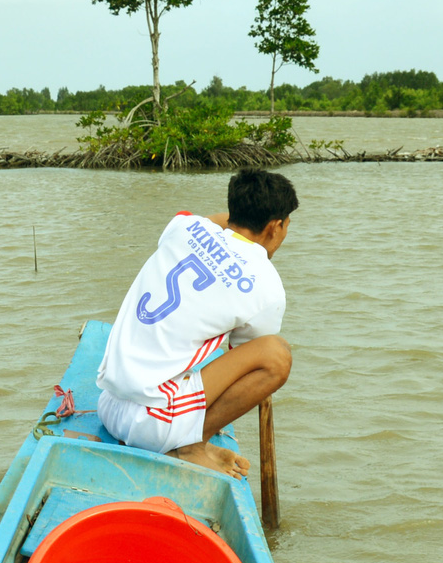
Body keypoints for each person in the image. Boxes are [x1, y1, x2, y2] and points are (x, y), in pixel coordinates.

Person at [96, 169, 296, 477]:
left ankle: (184, 437)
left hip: (108, 404)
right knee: (276, 355)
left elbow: (212, 221)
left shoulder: (183, 226)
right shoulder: (267, 286)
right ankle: (189, 445)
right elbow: (247, 354)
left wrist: (244, 216)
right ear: (275, 226)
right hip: (151, 424)